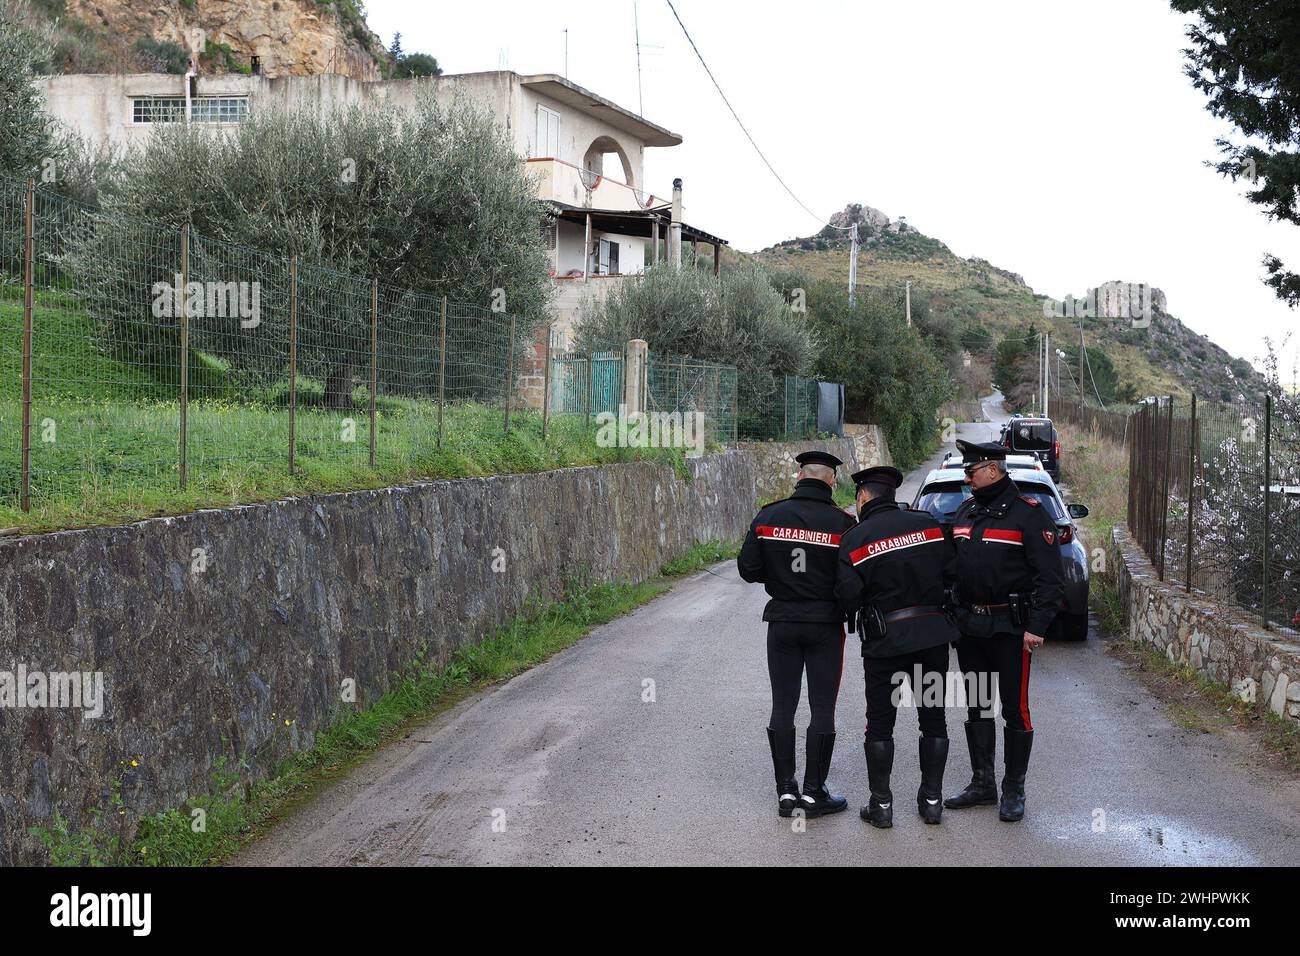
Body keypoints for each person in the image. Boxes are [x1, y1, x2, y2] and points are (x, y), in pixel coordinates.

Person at [944, 439, 1066, 822]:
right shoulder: (966, 513)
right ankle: (983, 783)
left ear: (992, 470)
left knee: (1015, 709)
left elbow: (1051, 579)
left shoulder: (1029, 515)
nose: (967, 477)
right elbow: (950, 570)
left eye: (972, 471)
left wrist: (1037, 626)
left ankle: (1014, 789)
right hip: (972, 628)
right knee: (978, 705)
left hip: (1012, 630)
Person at [835, 466, 959, 828]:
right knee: (933, 719)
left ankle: (882, 805)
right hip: (932, 638)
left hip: (884, 641)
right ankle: (932, 801)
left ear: (863, 497)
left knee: (879, 724)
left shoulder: (856, 539)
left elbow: (847, 597)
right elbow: (952, 573)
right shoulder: (930, 525)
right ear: (891, 495)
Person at [738, 450, 857, 818]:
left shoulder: (769, 515)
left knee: (783, 705)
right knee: (822, 707)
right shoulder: (843, 524)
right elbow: (851, 582)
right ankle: (813, 792)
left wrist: (781, 578)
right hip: (824, 625)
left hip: (782, 623)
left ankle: (785, 792)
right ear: (831, 480)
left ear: (799, 476)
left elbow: (747, 569)